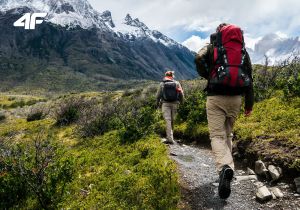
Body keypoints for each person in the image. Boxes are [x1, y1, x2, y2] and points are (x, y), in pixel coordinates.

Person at [195, 23, 254, 199]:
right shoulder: (242, 50)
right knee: (228, 135)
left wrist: (209, 74)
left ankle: (224, 168)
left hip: (216, 97)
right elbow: (249, 77)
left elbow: (198, 58)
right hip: (236, 98)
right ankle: (228, 168)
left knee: (217, 136)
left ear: (218, 33)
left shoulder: (213, 46)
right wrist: (249, 104)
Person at [156, 70, 184, 144]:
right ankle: (171, 137)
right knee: (173, 120)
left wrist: (157, 104)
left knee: (168, 120)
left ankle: (170, 138)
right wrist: (182, 102)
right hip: (175, 103)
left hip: (165, 104)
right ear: (172, 76)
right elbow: (181, 93)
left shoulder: (162, 83)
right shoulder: (177, 83)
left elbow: (158, 95)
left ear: (165, 76)